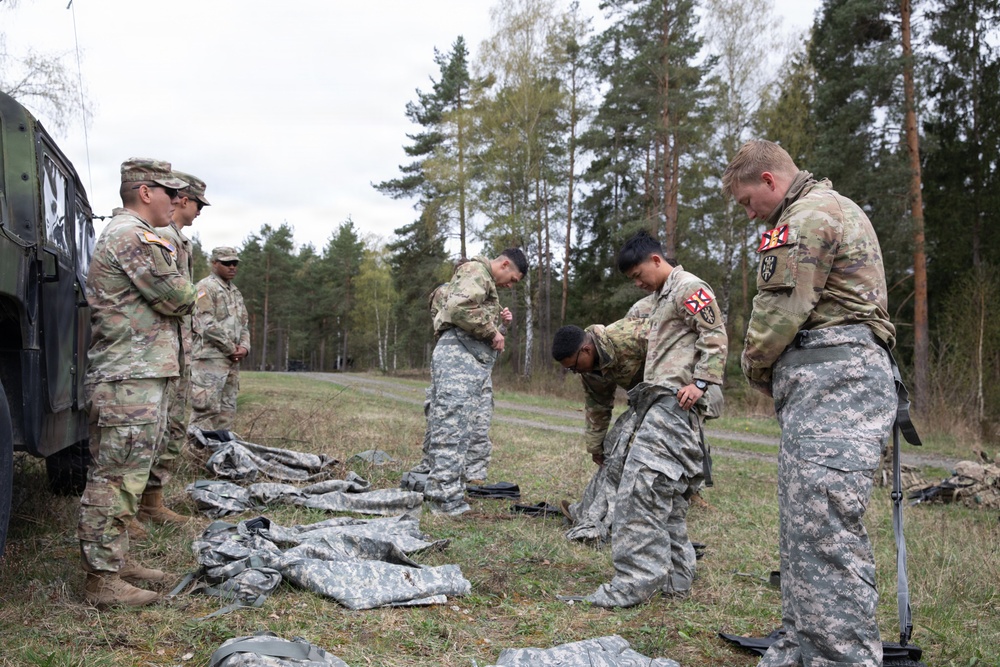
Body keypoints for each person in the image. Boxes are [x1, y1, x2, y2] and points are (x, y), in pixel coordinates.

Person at [723, 139, 896, 667]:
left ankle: (841, 656)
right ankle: (804, 645)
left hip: (834, 384)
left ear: (770, 182)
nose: (748, 212)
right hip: (833, 384)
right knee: (806, 524)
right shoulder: (831, 206)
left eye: (747, 200)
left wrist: (754, 369)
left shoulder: (803, 218)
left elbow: (777, 315)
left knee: (822, 528)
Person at [583, 230, 727, 608]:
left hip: (674, 403)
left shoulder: (688, 288)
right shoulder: (658, 299)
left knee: (638, 493)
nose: (637, 282)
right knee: (667, 498)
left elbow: (714, 332)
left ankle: (633, 584)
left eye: (637, 275)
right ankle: (676, 579)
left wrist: (701, 382)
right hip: (659, 402)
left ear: (656, 260)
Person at [78, 158, 196, 606]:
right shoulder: (131, 236)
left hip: (141, 374)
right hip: (127, 376)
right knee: (115, 478)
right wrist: (189, 291)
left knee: (130, 475)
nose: (177, 201)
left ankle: (117, 561)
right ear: (145, 192)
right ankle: (101, 581)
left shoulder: (138, 235)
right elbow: (178, 296)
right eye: (170, 192)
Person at [420, 249, 528, 515]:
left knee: (459, 426)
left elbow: (471, 316)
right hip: (458, 357)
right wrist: (492, 331)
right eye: (512, 279)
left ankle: (449, 491)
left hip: (466, 358)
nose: (510, 285)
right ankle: (443, 499)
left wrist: (497, 328)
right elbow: (459, 307)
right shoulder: (475, 272)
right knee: (451, 425)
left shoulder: (483, 280)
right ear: (504, 264)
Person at [133, 171, 210, 531]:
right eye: (197, 204)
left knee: (172, 427)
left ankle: (151, 501)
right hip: (157, 351)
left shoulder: (177, 239)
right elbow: (173, 297)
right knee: (150, 432)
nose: (199, 212)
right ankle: (135, 507)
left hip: (177, 350)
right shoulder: (160, 237)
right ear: (182, 199)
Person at [550, 293, 654, 542]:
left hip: (677, 393)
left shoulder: (630, 336)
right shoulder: (591, 368)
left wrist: (699, 383)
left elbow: (679, 344)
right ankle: (594, 511)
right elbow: (598, 405)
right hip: (644, 400)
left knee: (639, 453)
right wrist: (596, 446)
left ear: (585, 349)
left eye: (573, 366)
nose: (574, 372)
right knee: (614, 450)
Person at [189, 247, 250, 432]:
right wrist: (231, 348)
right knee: (205, 411)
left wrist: (245, 348)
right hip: (209, 361)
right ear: (214, 263)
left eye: (235, 263)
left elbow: (244, 324)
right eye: (226, 263)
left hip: (231, 362)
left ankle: (220, 456)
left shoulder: (235, 292)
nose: (232, 267)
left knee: (227, 412)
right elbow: (206, 323)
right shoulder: (205, 288)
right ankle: (197, 458)